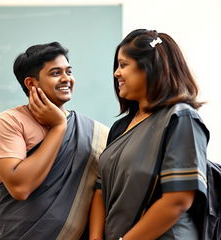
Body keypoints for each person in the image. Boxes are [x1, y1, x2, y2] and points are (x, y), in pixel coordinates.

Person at [0, 42, 109, 240]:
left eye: (69, 71)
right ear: (31, 83)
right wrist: (58, 127)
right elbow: (21, 188)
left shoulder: (94, 132)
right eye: (56, 73)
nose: (66, 79)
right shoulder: (9, 123)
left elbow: (99, 193)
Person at [89, 29, 209, 240]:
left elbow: (178, 199)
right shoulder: (120, 127)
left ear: (149, 68)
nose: (116, 73)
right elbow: (100, 190)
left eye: (123, 65)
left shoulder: (180, 118)